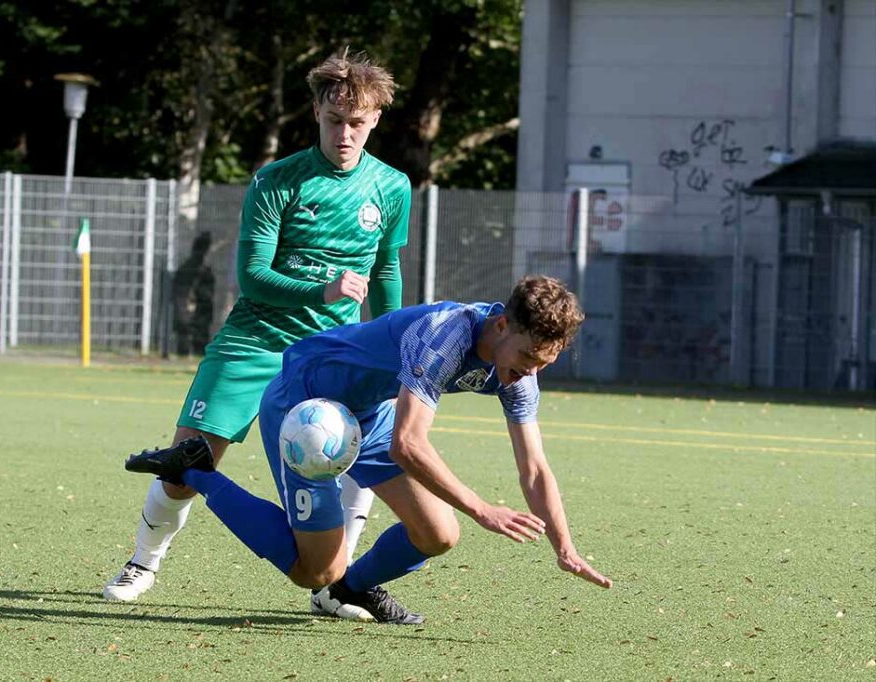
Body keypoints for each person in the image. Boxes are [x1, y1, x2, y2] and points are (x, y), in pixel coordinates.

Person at [124, 275, 614, 624]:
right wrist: (483, 508)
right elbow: (409, 444)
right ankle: (196, 469)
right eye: (529, 357)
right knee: (312, 568)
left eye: (544, 363)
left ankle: (347, 591)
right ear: (503, 325)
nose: (531, 371)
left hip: (367, 414)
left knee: (439, 533)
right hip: (308, 404)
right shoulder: (445, 335)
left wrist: (564, 547)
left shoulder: (519, 371)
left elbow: (535, 470)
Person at [104, 49, 412, 603]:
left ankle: (335, 586)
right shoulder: (278, 180)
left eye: (358, 124)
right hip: (256, 341)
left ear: (376, 121)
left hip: (333, 352)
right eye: (335, 121)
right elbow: (252, 276)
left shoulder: (391, 186)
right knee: (186, 462)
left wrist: (391, 344)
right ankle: (141, 565)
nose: (346, 134)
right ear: (316, 111)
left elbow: (387, 265)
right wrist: (324, 289)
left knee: (356, 460)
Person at [172, 231, 215, 357]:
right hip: (190, 304)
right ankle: (187, 352)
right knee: (186, 327)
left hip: (198, 304)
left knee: (196, 327)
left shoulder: (201, 269)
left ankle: (193, 351)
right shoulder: (192, 268)